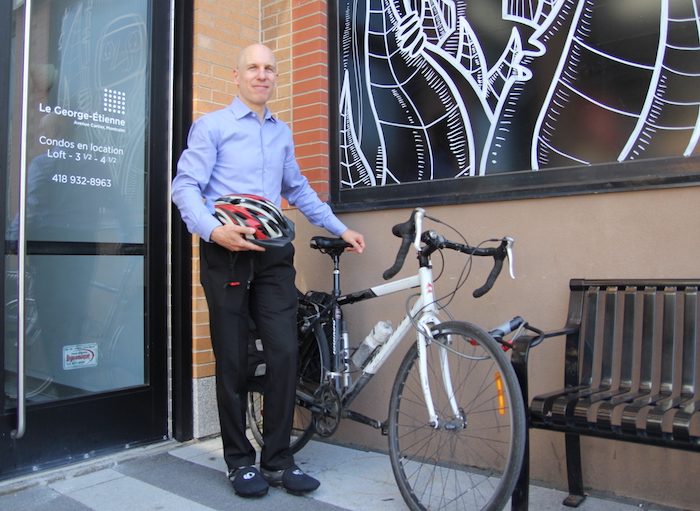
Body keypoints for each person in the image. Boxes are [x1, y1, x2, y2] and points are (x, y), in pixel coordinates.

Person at [172, 43, 365, 498]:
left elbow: (297, 188)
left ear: (275, 78)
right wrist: (213, 231)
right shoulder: (212, 127)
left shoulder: (281, 133)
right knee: (234, 360)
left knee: (284, 353)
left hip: (275, 256)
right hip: (228, 253)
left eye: (269, 69)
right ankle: (239, 461)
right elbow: (185, 187)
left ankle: (278, 459)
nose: (262, 75)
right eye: (253, 68)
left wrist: (342, 228)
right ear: (237, 77)